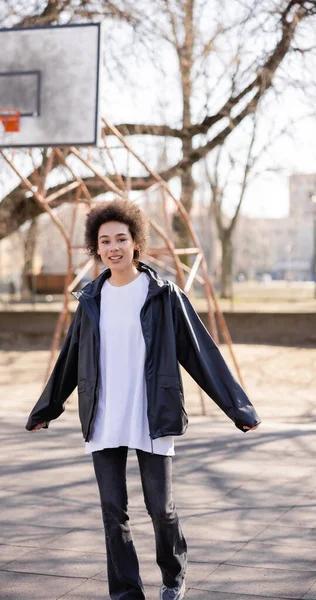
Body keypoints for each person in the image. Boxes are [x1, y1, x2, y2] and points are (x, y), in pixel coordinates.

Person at [26, 200, 261, 600]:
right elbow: (70, 359)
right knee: (113, 513)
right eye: (105, 241)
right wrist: (46, 409)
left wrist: (238, 409)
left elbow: (201, 354)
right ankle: (126, 593)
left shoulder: (164, 295)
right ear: (95, 248)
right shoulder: (91, 300)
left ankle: (173, 576)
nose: (113, 246)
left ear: (136, 243)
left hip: (151, 414)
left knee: (160, 510)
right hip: (103, 417)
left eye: (121, 238)